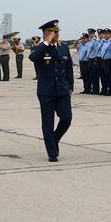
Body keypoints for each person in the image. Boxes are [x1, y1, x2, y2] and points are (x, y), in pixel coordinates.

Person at [29, 20, 74, 162]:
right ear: (47, 34)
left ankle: (53, 139)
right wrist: (46, 43)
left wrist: (70, 86)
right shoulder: (40, 48)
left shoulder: (63, 48)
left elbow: (68, 69)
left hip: (62, 90)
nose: (57, 34)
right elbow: (33, 58)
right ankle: (52, 151)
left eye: (58, 32)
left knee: (66, 118)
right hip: (46, 91)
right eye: (54, 32)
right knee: (48, 122)